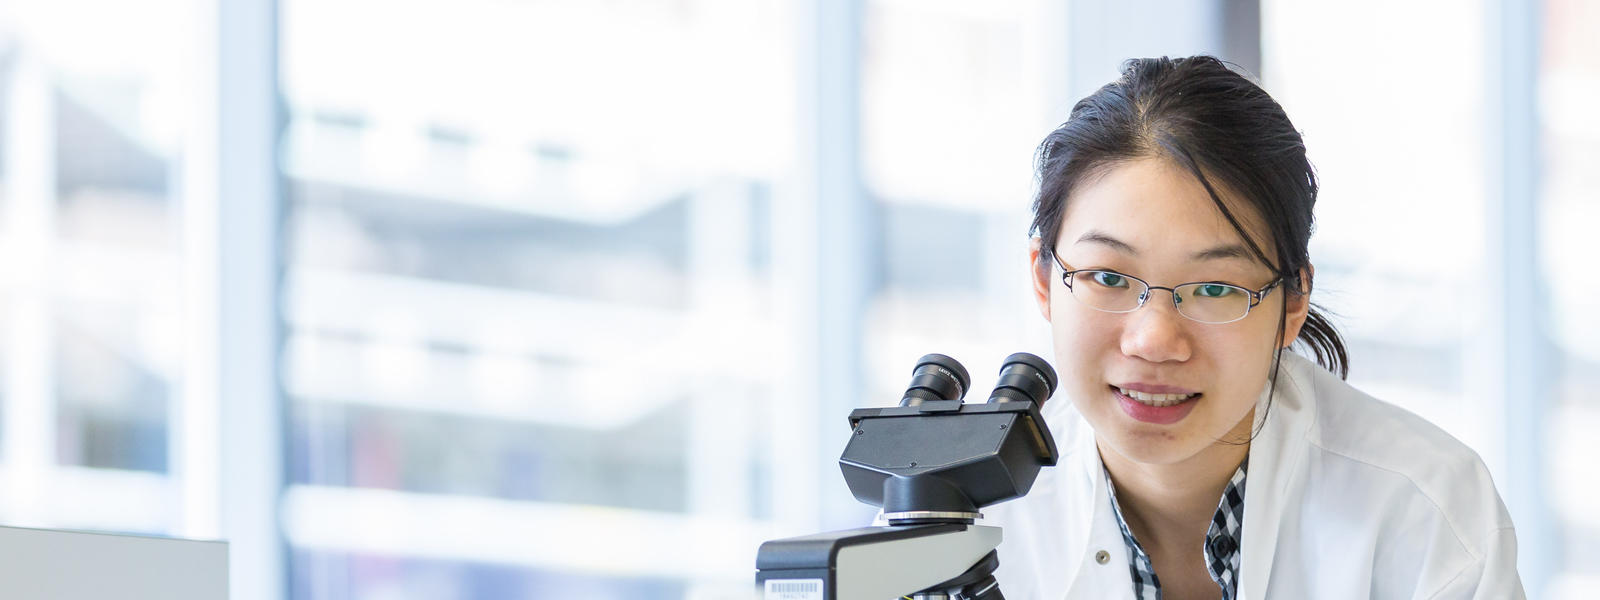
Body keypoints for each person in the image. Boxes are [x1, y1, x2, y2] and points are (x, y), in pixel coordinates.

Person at [986, 56, 1524, 599]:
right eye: (1107, 276)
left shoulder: (1426, 515)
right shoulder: (970, 516)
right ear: (1043, 278)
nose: (1152, 341)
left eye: (1215, 289)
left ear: (1293, 303)